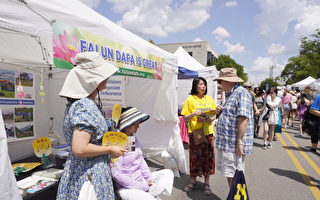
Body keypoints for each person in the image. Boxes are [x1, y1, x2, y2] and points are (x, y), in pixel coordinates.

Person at [57, 52, 127, 200]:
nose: (108, 78)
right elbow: (80, 148)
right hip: (88, 175)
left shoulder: (81, 103)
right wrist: (109, 149)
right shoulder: (85, 105)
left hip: (84, 171)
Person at [111, 107, 174, 200]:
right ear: (126, 125)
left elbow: (138, 160)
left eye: (138, 123)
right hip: (126, 188)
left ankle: (152, 192)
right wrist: (142, 186)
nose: (138, 127)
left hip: (141, 180)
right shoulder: (115, 142)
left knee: (168, 173)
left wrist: (149, 179)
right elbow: (116, 174)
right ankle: (152, 193)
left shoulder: (130, 138)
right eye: (134, 124)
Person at [213, 68, 254, 187]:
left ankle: (235, 196)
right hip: (228, 143)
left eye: (220, 81)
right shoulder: (232, 94)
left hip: (233, 144)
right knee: (230, 174)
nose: (220, 85)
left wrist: (239, 142)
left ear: (227, 81)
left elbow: (243, 118)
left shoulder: (241, 93)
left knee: (234, 175)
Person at [181, 77, 216, 195]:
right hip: (195, 133)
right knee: (194, 158)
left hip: (208, 132)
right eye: (201, 84)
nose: (203, 86)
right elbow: (184, 117)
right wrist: (193, 114)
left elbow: (213, 114)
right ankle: (193, 181)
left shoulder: (209, 99)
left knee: (208, 158)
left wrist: (210, 119)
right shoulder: (190, 99)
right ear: (195, 86)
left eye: (204, 84)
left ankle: (207, 183)